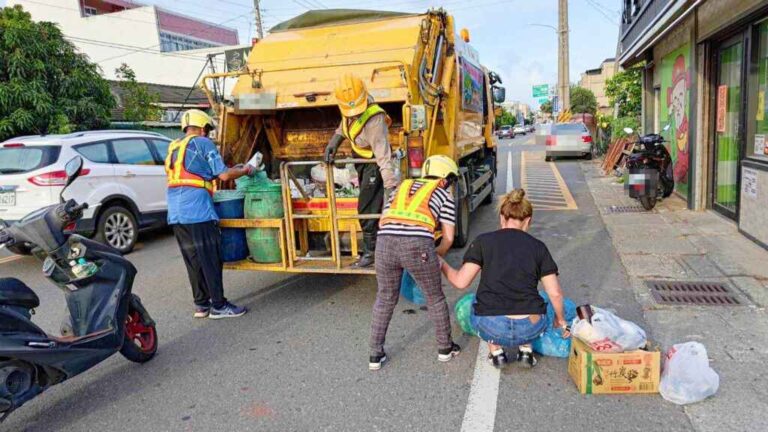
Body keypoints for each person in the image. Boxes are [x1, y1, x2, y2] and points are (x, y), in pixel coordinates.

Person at [440, 189, 570, 369]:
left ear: (502, 217)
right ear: (528, 221)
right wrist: (561, 320)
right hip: (529, 328)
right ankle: (526, 349)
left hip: (492, 326)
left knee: (476, 299)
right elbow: (555, 293)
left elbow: (461, 282)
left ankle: (496, 353)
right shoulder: (538, 247)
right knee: (538, 299)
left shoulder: (483, 241)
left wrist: (441, 263)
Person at [368, 155, 461, 371]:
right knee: (435, 297)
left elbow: (387, 220)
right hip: (418, 245)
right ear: (446, 178)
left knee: (385, 298)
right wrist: (432, 255)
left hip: (384, 243)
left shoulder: (401, 187)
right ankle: (445, 348)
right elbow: (448, 239)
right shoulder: (443, 194)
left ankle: (375, 353)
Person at [166, 109, 259, 319]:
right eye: (208, 130)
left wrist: (230, 168)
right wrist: (245, 170)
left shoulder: (174, 146)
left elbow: (199, 171)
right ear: (203, 128)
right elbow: (224, 174)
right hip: (198, 211)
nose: (208, 134)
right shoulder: (203, 143)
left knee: (193, 260)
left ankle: (201, 305)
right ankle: (218, 305)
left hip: (176, 212)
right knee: (210, 258)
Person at [324, 73, 398, 268]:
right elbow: (345, 126)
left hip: (374, 164)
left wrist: (391, 187)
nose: (353, 113)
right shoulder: (349, 105)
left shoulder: (375, 119)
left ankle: (371, 252)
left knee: (367, 209)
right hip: (362, 163)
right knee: (367, 207)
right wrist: (334, 142)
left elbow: (383, 155)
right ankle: (374, 250)